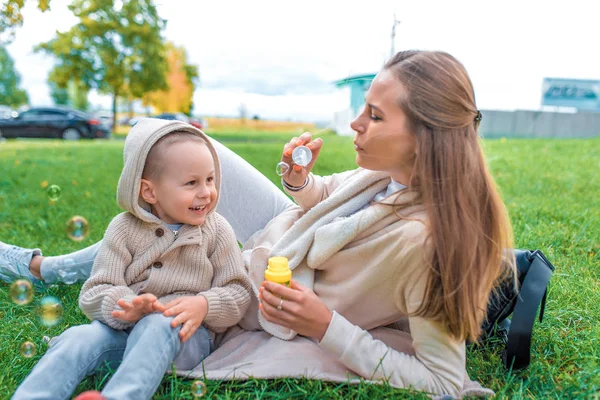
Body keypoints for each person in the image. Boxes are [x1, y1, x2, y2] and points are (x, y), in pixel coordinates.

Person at [2, 50, 514, 398]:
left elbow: (446, 383)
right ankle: (50, 267)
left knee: (184, 207)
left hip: (257, 277)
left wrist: (324, 326)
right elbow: (329, 197)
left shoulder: (428, 244)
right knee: (157, 137)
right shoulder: (390, 175)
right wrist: (300, 182)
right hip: (281, 233)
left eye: (375, 117)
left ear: (425, 138)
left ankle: (42, 269)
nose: (356, 124)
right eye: (363, 109)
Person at [11, 119, 252, 400]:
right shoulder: (124, 228)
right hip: (122, 336)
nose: (206, 192)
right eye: (191, 183)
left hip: (184, 339)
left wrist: (204, 304)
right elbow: (95, 291)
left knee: (158, 324)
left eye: (210, 179)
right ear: (149, 191)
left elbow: (238, 291)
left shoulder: (217, 229)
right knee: (79, 337)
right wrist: (124, 307)